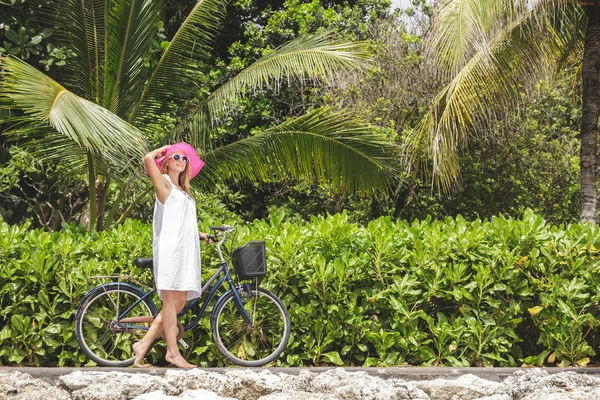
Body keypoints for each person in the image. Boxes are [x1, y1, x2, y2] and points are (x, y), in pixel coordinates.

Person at [133, 142, 210, 368]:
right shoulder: (164, 184)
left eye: (184, 158)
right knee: (170, 301)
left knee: (176, 304)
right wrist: (162, 150)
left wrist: (199, 233)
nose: (180, 160)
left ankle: (142, 345)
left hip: (184, 250)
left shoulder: (182, 191)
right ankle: (172, 353)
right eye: (176, 156)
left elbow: (180, 221)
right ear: (166, 161)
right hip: (171, 250)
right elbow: (147, 159)